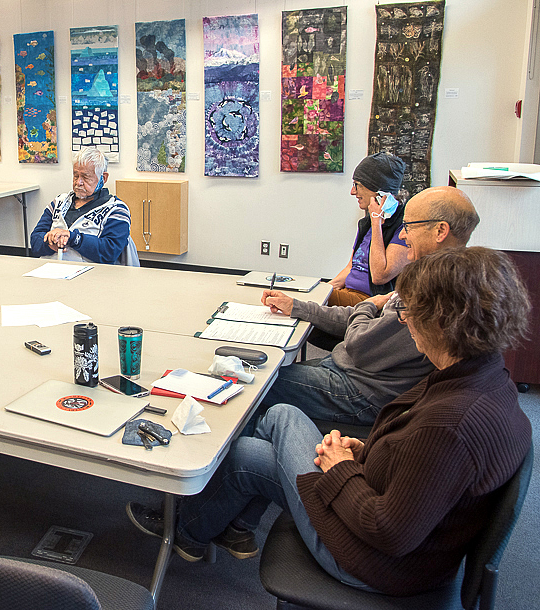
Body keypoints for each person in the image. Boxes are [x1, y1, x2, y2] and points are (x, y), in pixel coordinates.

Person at [128, 246, 531, 596]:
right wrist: (366, 452)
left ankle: (187, 530)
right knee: (276, 420)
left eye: (408, 311)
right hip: (388, 510)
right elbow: (419, 469)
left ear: (443, 322)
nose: (404, 321)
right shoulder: (484, 378)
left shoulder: (450, 426)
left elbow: (389, 532)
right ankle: (210, 530)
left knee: (249, 447)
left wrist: (342, 470)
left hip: (369, 562)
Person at [254, 186, 480, 429]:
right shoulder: (428, 274)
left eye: (409, 227)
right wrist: (297, 307)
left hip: (361, 392)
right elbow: (360, 319)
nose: (402, 236)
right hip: (349, 370)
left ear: (440, 230)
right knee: (262, 370)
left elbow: (359, 343)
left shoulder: (434, 292)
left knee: (252, 380)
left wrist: (367, 305)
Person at [30, 147, 138, 265]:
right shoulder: (59, 202)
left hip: (92, 277)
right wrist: (50, 243)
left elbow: (110, 251)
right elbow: (35, 241)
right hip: (51, 273)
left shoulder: (116, 209)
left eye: (85, 177)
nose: (78, 182)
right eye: (76, 176)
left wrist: (74, 238)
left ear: (103, 178)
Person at [327, 152, 409, 307]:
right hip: (349, 292)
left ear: (378, 191)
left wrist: (376, 222)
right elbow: (351, 267)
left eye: (357, 185)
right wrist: (322, 290)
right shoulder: (365, 224)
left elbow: (379, 276)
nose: (353, 192)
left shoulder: (403, 229)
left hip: (371, 301)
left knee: (299, 302)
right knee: (308, 296)